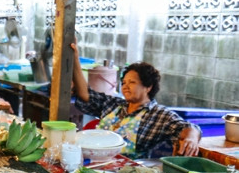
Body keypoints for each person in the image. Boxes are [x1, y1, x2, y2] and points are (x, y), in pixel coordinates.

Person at [70, 42, 200, 158]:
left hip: (127, 171)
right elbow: (85, 94)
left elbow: (188, 127)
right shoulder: (114, 104)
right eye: (124, 82)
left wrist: (191, 138)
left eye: (132, 82)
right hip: (94, 162)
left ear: (148, 87)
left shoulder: (158, 114)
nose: (125, 86)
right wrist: (75, 58)